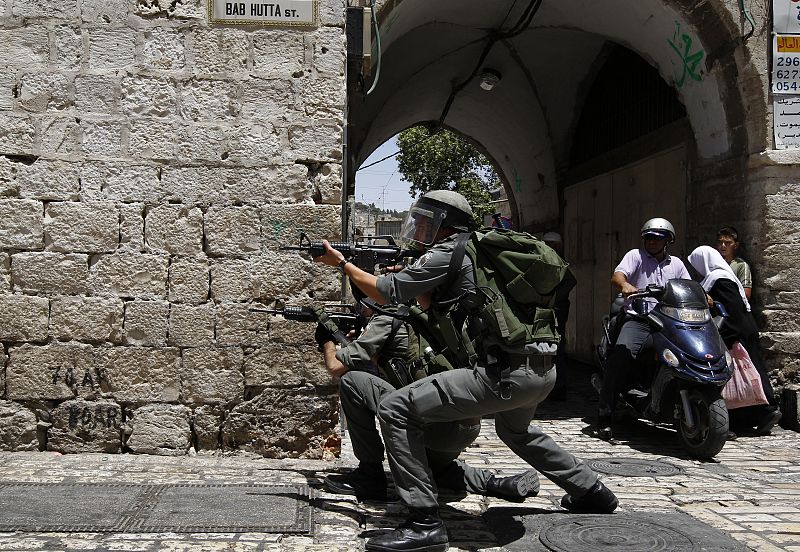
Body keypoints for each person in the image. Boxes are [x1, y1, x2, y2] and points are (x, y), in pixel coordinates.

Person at [314, 190, 616, 552]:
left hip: (502, 375)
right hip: (541, 371)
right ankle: (593, 491)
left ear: (447, 223)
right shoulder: (484, 251)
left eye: (427, 220)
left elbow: (388, 291)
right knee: (516, 432)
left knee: (396, 408)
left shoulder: (449, 251)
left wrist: (341, 263)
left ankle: (424, 522)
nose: (421, 227)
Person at [316, 310, 541, 502]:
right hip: (464, 427)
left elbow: (336, 367)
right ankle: (499, 483)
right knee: (435, 469)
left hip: (434, 427)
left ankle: (369, 476)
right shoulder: (431, 314)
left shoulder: (386, 319)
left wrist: (327, 339)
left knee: (352, 381)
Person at [597, 218, 691, 441]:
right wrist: (625, 285)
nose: (652, 242)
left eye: (657, 238)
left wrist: (702, 295)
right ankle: (604, 417)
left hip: (668, 321)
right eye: (648, 237)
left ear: (668, 240)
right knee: (620, 356)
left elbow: (687, 286)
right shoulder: (635, 256)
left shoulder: (676, 264)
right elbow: (618, 275)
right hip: (639, 318)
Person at [687, 246, 782, 435]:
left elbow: (729, 310)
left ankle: (765, 411)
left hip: (735, 331)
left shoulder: (719, 279)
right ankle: (755, 415)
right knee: (752, 370)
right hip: (745, 329)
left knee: (741, 373)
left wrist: (729, 338)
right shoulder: (724, 276)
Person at [541, 231, 577, 401]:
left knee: (558, 345)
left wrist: (554, 299)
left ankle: (558, 385)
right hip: (548, 309)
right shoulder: (543, 259)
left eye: (553, 244)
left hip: (558, 309)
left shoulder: (557, 261)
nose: (550, 247)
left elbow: (571, 281)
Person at [715, 227, 752, 300]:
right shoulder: (714, 264)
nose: (723, 245)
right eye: (720, 242)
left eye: (727, 243)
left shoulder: (741, 265)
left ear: (736, 245)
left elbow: (746, 294)